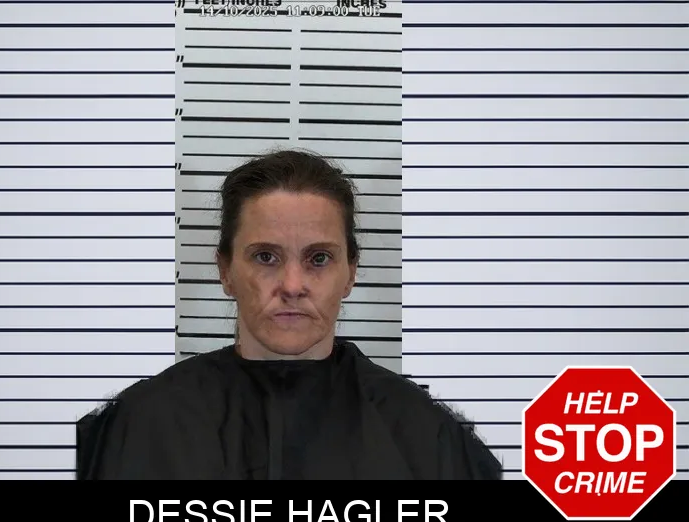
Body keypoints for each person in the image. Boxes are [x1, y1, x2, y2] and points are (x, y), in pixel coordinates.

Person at [75, 149, 502, 480]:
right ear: (225, 271)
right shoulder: (136, 426)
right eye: (266, 256)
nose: (293, 285)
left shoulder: (429, 435)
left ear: (351, 273)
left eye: (318, 258)